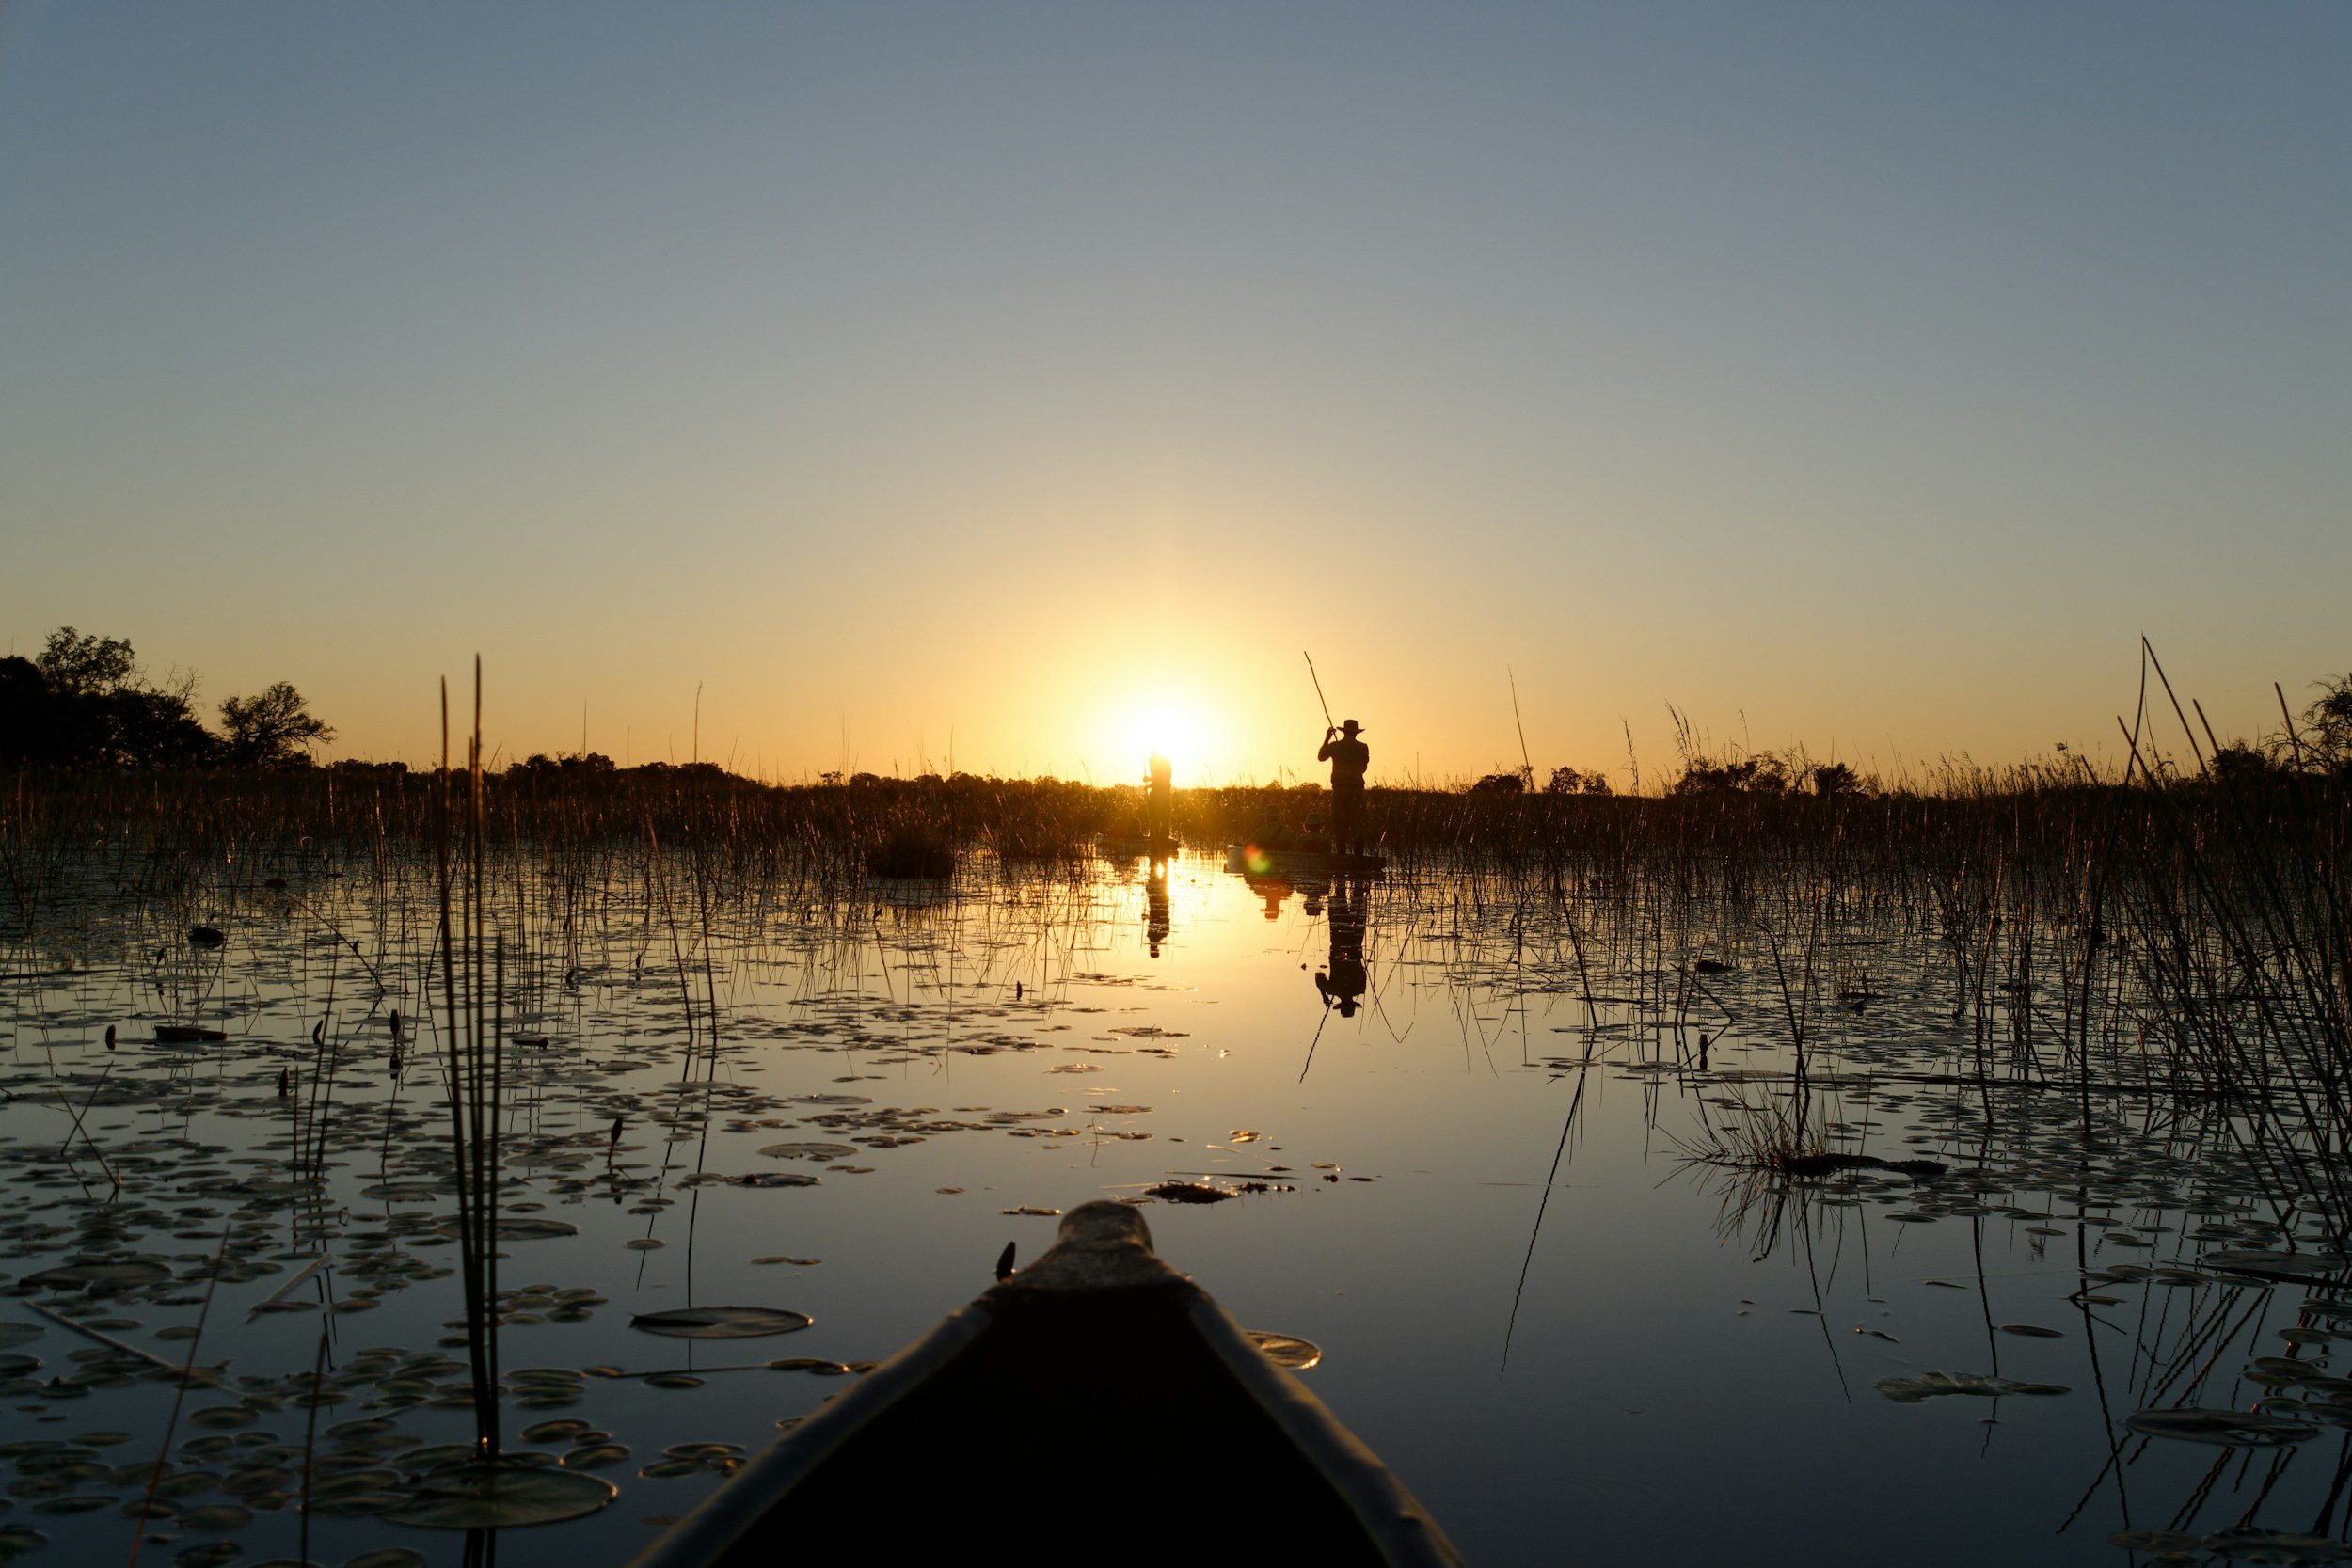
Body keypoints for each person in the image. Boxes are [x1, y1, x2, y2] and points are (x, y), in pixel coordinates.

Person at [1317, 719, 1370, 856]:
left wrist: (1327, 739)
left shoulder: (1335, 746)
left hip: (1339, 790)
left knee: (1340, 824)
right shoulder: (1363, 747)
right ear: (1356, 733)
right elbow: (1363, 769)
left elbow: (1321, 757)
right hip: (1357, 790)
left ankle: (1341, 858)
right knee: (1358, 825)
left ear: (1344, 731)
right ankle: (1359, 859)